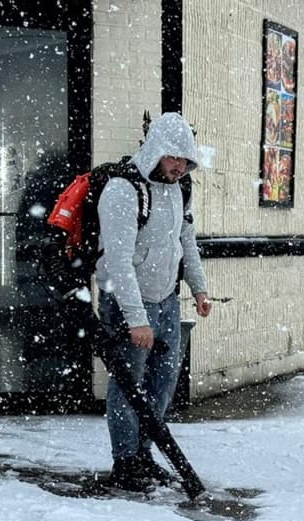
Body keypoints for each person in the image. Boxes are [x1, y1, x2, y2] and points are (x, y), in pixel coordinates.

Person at [94, 112, 212, 492]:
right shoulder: (123, 189)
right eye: (172, 157)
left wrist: (198, 288)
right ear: (155, 151)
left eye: (185, 159)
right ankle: (125, 461)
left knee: (162, 384)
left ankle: (144, 454)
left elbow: (185, 242)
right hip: (129, 303)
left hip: (167, 300)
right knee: (129, 385)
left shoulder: (180, 189)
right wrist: (135, 318)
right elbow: (118, 261)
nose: (179, 166)